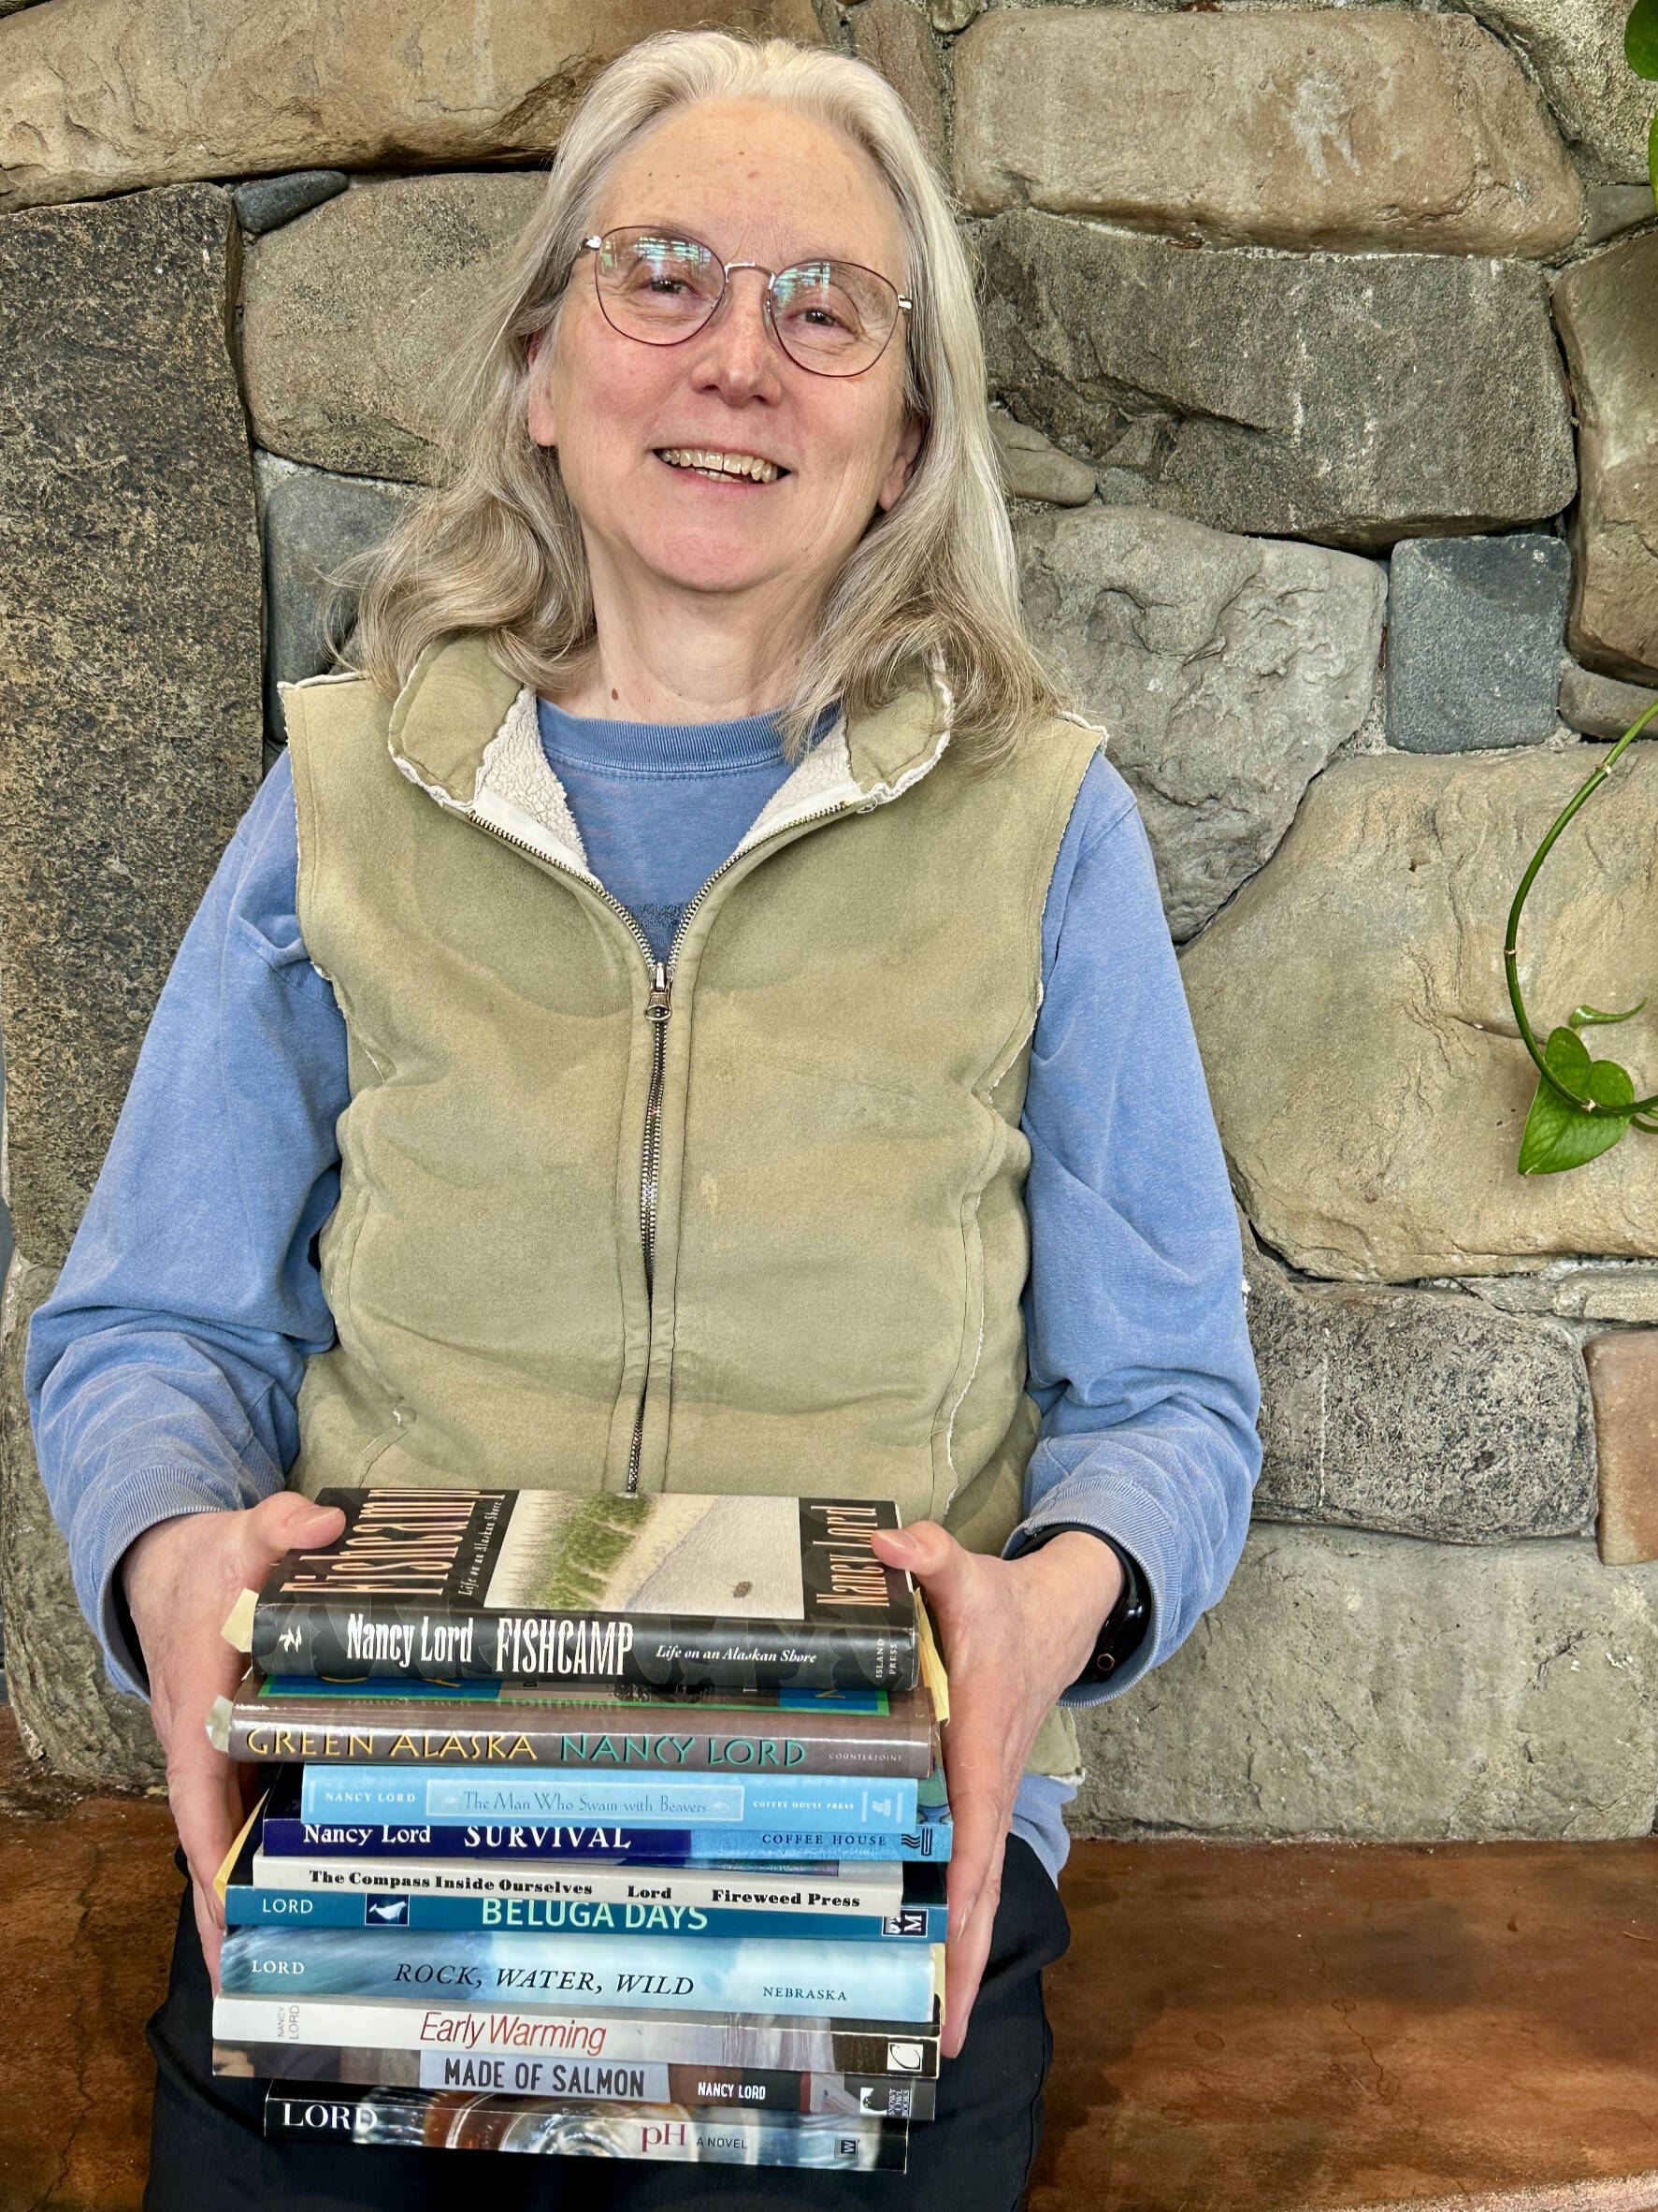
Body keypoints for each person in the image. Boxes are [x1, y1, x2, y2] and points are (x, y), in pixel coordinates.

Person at [27, 29, 1261, 2211]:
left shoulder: (1043, 828)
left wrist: (1048, 1606)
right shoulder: (336, 801)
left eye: (827, 312)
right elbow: (145, 1327)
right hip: (385, 1808)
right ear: (540, 362)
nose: (740, 364)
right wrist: (168, 1556)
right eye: (662, 276)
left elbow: (1169, 1397)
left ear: (901, 439)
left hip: (863, 1837)